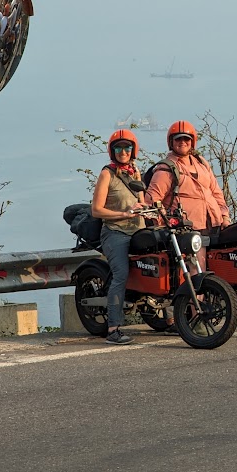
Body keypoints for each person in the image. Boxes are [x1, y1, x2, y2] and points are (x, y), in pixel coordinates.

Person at [142, 120, 232, 271]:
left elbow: (216, 193)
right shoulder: (167, 168)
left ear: (192, 141)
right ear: (171, 142)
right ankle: (194, 295)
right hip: (188, 229)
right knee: (197, 270)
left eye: (186, 139)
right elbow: (152, 201)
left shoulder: (201, 162)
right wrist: (166, 222)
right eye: (178, 139)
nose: (182, 142)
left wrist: (224, 216)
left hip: (213, 225)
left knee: (221, 268)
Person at [90, 129, 145, 345]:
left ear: (133, 150)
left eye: (127, 147)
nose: (123, 151)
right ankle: (113, 329)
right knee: (121, 274)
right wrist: (123, 214)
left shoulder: (135, 172)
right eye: (119, 148)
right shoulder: (107, 174)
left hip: (138, 231)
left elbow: (141, 199)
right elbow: (96, 210)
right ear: (112, 151)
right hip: (115, 232)